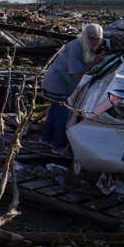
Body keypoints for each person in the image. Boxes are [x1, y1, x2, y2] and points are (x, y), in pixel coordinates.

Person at [41, 23, 104, 154]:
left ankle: (45, 139)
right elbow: (76, 73)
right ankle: (58, 146)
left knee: (54, 112)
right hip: (57, 84)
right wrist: (94, 63)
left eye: (97, 38)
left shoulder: (85, 45)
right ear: (86, 36)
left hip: (58, 83)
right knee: (62, 116)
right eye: (92, 38)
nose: (95, 41)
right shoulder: (75, 46)